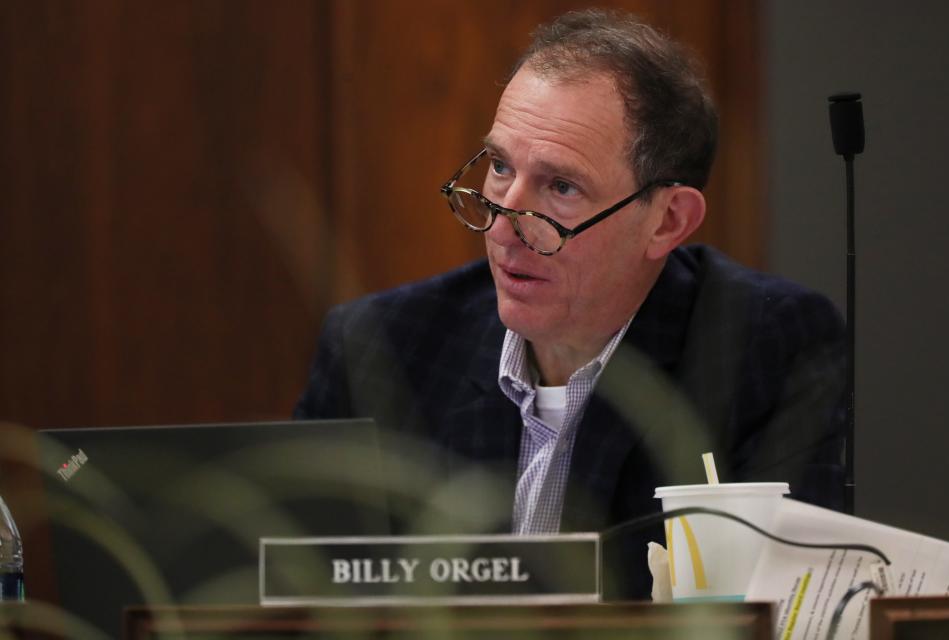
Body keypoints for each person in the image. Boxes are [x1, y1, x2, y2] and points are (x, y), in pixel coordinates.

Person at [295, 9, 845, 599]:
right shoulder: (381, 347)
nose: (505, 223)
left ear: (668, 221)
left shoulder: (762, 348)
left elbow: (785, 616)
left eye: (561, 187)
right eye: (501, 167)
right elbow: (295, 598)